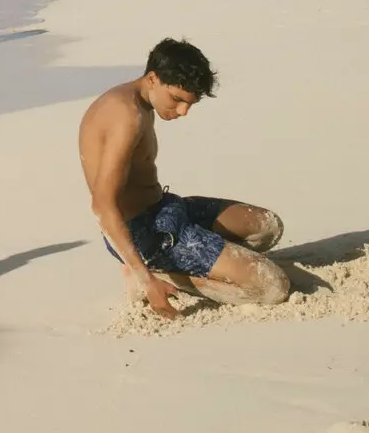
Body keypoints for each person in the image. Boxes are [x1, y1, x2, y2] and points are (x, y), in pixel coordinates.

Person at [77, 39, 289, 319]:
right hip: (146, 235)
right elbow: (102, 206)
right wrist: (145, 279)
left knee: (267, 227)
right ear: (152, 78)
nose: (183, 111)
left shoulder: (139, 100)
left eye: (191, 103)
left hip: (166, 207)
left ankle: (199, 262)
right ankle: (157, 275)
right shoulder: (125, 116)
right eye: (177, 100)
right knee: (272, 287)